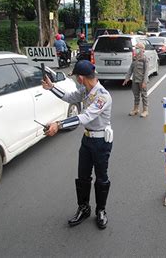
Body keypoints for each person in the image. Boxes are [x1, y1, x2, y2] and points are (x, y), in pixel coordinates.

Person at [41, 60, 114, 230]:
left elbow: (85, 117)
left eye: (76, 77)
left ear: (81, 78)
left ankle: (101, 210)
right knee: (82, 177)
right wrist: (51, 87)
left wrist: (58, 125)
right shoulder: (85, 90)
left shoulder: (103, 96)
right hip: (87, 140)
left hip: (101, 142)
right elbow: (69, 97)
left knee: (101, 178)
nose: (77, 80)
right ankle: (84, 208)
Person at [123, 42, 149, 118]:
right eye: (136, 48)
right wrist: (127, 78)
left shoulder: (144, 59)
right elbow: (130, 69)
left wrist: (144, 82)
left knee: (144, 95)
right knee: (136, 95)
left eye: (137, 48)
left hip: (142, 81)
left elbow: (146, 71)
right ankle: (136, 109)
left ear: (142, 49)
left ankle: (145, 110)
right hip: (135, 80)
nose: (136, 49)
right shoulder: (134, 58)